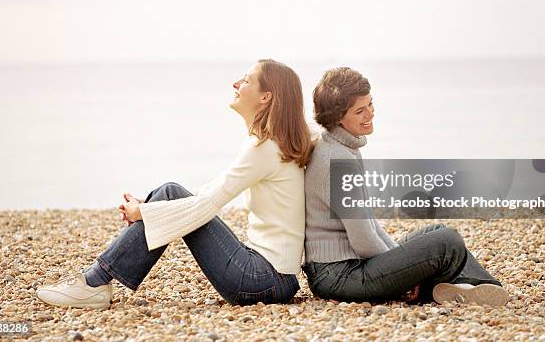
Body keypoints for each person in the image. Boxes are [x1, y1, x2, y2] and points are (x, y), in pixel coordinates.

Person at [37, 59, 313, 309]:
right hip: (274, 277)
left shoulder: (264, 148)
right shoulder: (278, 144)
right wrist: (155, 208)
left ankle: (95, 282)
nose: (236, 84)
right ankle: (96, 281)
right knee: (168, 194)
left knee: (170, 193)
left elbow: (208, 203)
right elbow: (208, 197)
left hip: (260, 280)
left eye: (247, 80)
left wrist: (144, 213)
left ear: (266, 97)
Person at [303, 67, 509, 306]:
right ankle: (465, 288)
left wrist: (403, 262)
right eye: (360, 110)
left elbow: (369, 224)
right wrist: (407, 276)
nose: (370, 113)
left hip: (347, 266)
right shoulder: (336, 161)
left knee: (435, 231)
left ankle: (478, 288)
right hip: (340, 276)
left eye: (371, 104)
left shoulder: (341, 148)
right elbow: (363, 239)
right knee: (447, 242)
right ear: (338, 117)